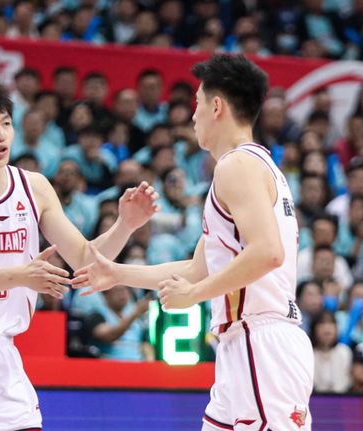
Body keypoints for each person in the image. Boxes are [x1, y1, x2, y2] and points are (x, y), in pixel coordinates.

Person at [73, 54, 313, 430]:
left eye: (197, 103)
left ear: (216, 106)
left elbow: (267, 253)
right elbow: (196, 269)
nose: (192, 115)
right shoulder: (251, 167)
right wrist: (117, 273)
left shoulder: (237, 165)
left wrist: (195, 295)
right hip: (241, 342)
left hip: (261, 341)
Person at [0, 78, 158, 431]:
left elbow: (85, 259)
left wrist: (125, 225)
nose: (0, 135)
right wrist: (22, 275)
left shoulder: (34, 187)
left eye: (6, 123)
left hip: (3, 353)